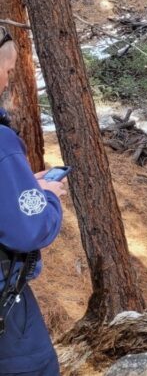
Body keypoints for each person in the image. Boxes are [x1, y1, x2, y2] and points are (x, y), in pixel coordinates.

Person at [0, 26, 65, 376]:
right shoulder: (1, 143)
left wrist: (22, 188)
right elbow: (30, 229)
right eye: (8, 71)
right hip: (6, 310)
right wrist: (47, 198)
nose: (8, 80)